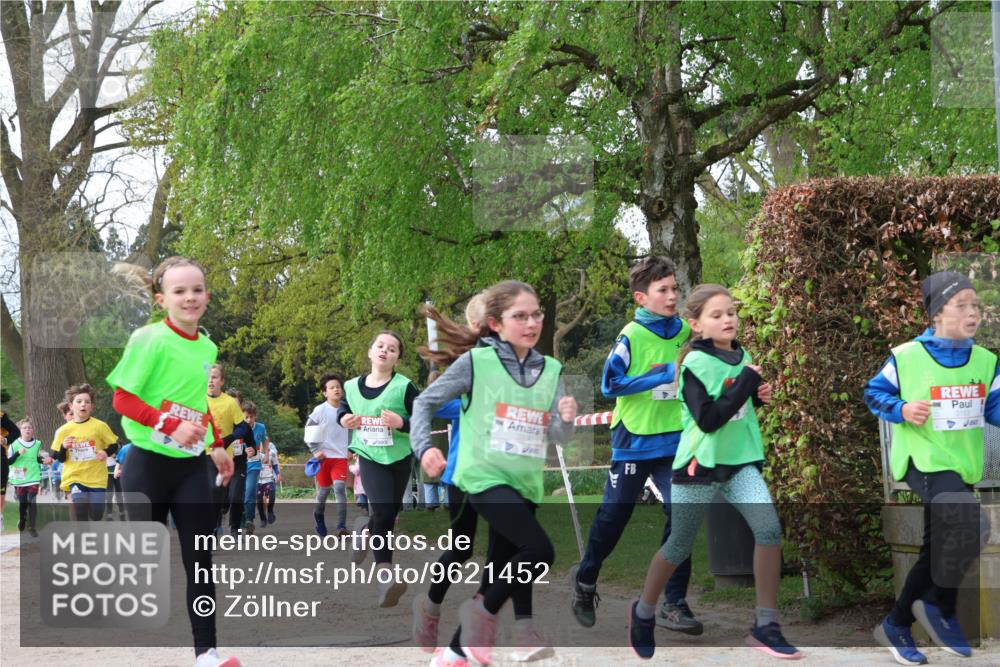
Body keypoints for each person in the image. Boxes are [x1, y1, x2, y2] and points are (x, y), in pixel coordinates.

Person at [627, 283, 799, 661]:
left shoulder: (742, 355)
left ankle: (765, 625)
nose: (727, 320)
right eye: (716, 315)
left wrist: (757, 397)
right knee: (678, 545)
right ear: (697, 325)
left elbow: (736, 405)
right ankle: (643, 612)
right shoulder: (693, 364)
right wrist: (746, 386)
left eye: (731, 313)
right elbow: (707, 420)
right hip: (699, 464)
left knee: (769, 530)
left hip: (739, 463)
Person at [413, 280, 578, 667]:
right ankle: (476, 615)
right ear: (495, 324)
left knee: (501, 572)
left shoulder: (552, 370)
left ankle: (454, 652)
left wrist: (566, 421)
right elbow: (424, 403)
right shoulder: (476, 362)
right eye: (519, 316)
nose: (532, 322)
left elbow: (555, 434)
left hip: (525, 482)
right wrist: (425, 449)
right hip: (482, 476)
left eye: (536, 314)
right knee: (539, 551)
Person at [107, 255, 239, 667]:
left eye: (197, 290)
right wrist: (167, 422)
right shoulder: (148, 339)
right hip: (147, 463)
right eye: (180, 291)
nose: (190, 297)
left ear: (207, 296)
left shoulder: (207, 345)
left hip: (189, 468)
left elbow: (197, 402)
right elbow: (122, 399)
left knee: (199, 560)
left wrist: (217, 445)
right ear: (161, 298)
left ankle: (208, 653)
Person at [866, 271, 997, 665]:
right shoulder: (906, 356)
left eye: (976, 305)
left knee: (937, 547)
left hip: (960, 467)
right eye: (962, 305)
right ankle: (940, 606)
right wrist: (902, 409)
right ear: (937, 313)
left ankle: (897, 622)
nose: (972, 312)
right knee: (974, 525)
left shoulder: (987, 360)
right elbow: (874, 392)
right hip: (921, 461)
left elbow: (994, 407)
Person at [571, 256, 700, 634]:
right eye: (663, 290)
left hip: (674, 439)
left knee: (683, 517)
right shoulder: (630, 335)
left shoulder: (683, 332)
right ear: (642, 298)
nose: (672, 295)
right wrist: (661, 373)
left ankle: (674, 603)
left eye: (675, 288)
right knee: (615, 516)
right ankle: (585, 581)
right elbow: (610, 385)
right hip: (633, 441)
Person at [338, 330, 420, 607]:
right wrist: (344, 419)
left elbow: (422, 419)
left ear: (397, 359)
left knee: (389, 514)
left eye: (392, 349)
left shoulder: (405, 387)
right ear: (370, 351)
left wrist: (401, 423)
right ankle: (386, 577)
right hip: (369, 455)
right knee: (384, 510)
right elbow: (345, 409)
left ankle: (364, 529)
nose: (385, 350)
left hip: (399, 457)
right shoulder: (350, 386)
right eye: (380, 345)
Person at [50, 384, 119, 521]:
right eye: (79, 401)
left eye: (87, 402)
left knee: (97, 514)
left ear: (91, 407)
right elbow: (59, 458)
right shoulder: (64, 430)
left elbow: (114, 445)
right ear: (71, 406)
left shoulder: (100, 426)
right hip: (75, 477)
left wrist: (106, 452)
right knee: (80, 511)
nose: (83, 405)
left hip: (96, 478)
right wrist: (64, 447)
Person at [206, 365, 256, 537]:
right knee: (215, 496)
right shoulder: (197, 399)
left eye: (214, 377)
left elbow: (246, 434)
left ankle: (234, 528)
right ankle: (212, 528)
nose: (210, 380)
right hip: (208, 456)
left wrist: (252, 450)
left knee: (235, 496)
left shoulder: (232, 409)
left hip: (236, 461)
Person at [305, 373, 351, 536]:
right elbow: (308, 432)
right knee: (323, 492)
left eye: (338, 387)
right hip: (324, 458)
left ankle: (341, 526)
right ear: (325, 392)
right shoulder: (320, 410)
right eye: (332, 388)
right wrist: (315, 450)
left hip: (340, 457)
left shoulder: (348, 408)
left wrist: (352, 449)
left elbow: (352, 429)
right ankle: (318, 516)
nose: (336, 390)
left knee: (339, 488)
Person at [8, 417, 43, 536]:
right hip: (19, 478)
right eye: (24, 428)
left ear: (33, 430)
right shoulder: (13, 444)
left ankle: (32, 527)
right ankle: (22, 519)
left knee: (32, 502)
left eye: (30, 427)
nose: (27, 429)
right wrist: (18, 453)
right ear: (20, 430)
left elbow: (37, 458)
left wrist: (45, 460)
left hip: (33, 477)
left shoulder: (38, 443)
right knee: (23, 503)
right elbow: (8, 462)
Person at [241, 400, 267, 533]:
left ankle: (249, 520)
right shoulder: (237, 428)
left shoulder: (261, 427)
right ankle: (240, 521)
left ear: (255, 416)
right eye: (246, 417)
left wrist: (265, 454)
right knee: (240, 494)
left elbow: (265, 440)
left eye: (251, 416)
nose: (249, 419)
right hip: (240, 464)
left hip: (255, 464)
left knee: (250, 491)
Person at [255, 435, 279, 526]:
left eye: (266, 441)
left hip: (269, 478)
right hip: (258, 480)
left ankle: (270, 511)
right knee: (259, 500)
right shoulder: (255, 452)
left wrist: (278, 473)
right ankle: (262, 518)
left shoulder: (272, 451)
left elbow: (275, 463)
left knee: (271, 496)